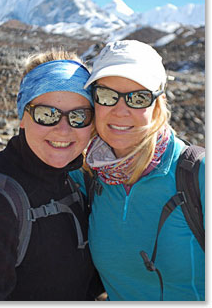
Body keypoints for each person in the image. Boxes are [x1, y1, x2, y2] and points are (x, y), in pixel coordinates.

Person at [70, 40, 205, 301]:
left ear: (158, 104)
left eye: (138, 98)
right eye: (107, 96)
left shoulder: (197, 176)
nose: (121, 111)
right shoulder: (88, 174)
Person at [0, 49, 104, 301]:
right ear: (23, 116)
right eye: (46, 114)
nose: (63, 130)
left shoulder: (78, 177)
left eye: (79, 116)